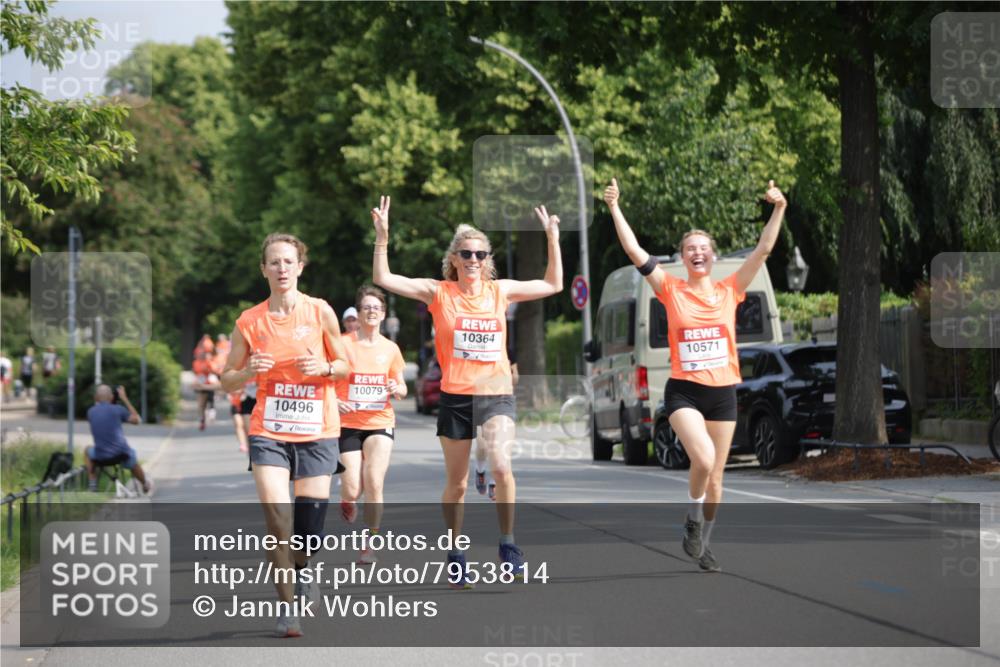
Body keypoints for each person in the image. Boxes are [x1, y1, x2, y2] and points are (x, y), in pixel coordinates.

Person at [372, 195, 562, 588]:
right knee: (456, 485)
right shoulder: (438, 292)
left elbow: (553, 283)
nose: (474, 260)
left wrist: (552, 238)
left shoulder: (500, 291)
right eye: (466, 253)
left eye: (480, 254)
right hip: (456, 398)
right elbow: (385, 279)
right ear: (454, 259)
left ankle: (508, 543)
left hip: (496, 395)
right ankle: (456, 552)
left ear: (487, 259)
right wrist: (383, 238)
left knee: (503, 465)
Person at [603, 177, 786, 573]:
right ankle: (691, 516)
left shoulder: (730, 289)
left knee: (717, 478)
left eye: (703, 248)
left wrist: (779, 208)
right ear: (683, 259)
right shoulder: (670, 288)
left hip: (723, 393)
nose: (697, 252)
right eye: (690, 249)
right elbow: (635, 251)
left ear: (712, 256)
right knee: (701, 458)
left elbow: (765, 249)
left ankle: (702, 544)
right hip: (684, 391)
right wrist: (615, 206)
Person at [221, 232, 349, 638]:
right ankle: (288, 607)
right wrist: (247, 373)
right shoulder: (250, 320)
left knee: (308, 533)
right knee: (278, 520)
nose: (281, 269)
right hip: (269, 433)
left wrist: (325, 369)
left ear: (300, 267)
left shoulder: (320, 312)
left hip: (317, 432)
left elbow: (345, 364)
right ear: (263, 269)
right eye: (273, 262)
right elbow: (226, 380)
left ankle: (304, 567)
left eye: (288, 262)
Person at [334, 285, 406, 564]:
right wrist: (332, 401)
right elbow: (325, 380)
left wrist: (396, 387)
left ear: (383, 314)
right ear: (359, 313)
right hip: (348, 422)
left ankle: (369, 544)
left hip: (380, 420)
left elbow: (401, 387)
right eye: (367, 308)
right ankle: (347, 499)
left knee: (374, 481)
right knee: (353, 487)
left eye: (376, 308)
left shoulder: (390, 348)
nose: (372, 312)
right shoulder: (342, 344)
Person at [474, 318, 518, 501]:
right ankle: (480, 469)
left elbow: (516, 375)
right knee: (482, 443)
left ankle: (494, 481)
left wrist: (508, 378)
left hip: (500, 398)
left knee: (499, 445)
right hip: (476, 397)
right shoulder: (473, 347)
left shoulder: (507, 350)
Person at [85, 385, 153, 495]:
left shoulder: (90, 412)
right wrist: (124, 398)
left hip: (100, 456)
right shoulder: (118, 410)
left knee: (87, 450)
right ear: (112, 397)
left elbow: (100, 414)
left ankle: (92, 485)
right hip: (121, 455)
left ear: (96, 398)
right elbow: (137, 420)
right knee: (132, 457)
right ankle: (145, 484)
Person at [193, 336, 218, 431]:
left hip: (209, 383)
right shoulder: (196, 362)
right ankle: (202, 419)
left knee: (210, 398)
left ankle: (211, 411)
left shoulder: (210, 361)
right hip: (201, 384)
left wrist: (210, 367)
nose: (203, 355)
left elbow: (215, 370)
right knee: (201, 404)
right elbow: (196, 372)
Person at [228, 380, 257, 453]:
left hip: (250, 402)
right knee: (239, 424)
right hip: (237, 403)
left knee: (249, 428)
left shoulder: (258, 373)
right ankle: (243, 444)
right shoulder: (238, 373)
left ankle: (250, 445)